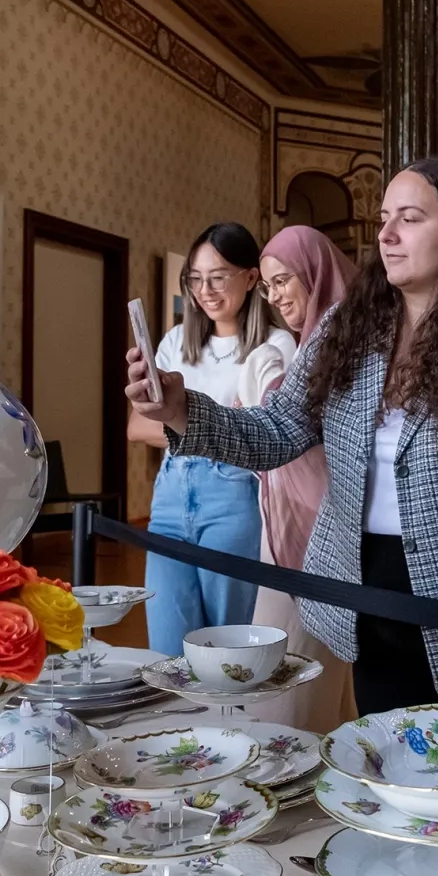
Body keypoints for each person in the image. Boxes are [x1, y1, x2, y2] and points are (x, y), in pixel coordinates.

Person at [126, 159, 438, 715]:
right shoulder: (349, 326)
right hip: (364, 588)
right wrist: (181, 409)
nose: (387, 235)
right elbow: (278, 431)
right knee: (385, 760)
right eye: (384, 218)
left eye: (411, 219)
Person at [127, 222, 296, 655]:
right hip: (169, 496)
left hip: (234, 494)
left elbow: (275, 435)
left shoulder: (276, 347)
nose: (206, 290)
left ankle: (226, 725)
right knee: (167, 646)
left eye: (219, 276)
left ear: (250, 277)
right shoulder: (174, 343)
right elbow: (137, 426)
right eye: (196, 278)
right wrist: (218, 425)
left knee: (225, 647)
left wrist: (185, 421)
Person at [243, 225, 360, 731]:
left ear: (315, 273)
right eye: (268, 287)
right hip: (289, 530)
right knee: (314, 684)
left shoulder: (352, 342)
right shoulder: (308, 344)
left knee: (288, 674)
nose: (276, 296)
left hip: (326, 539)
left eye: (284, 280)